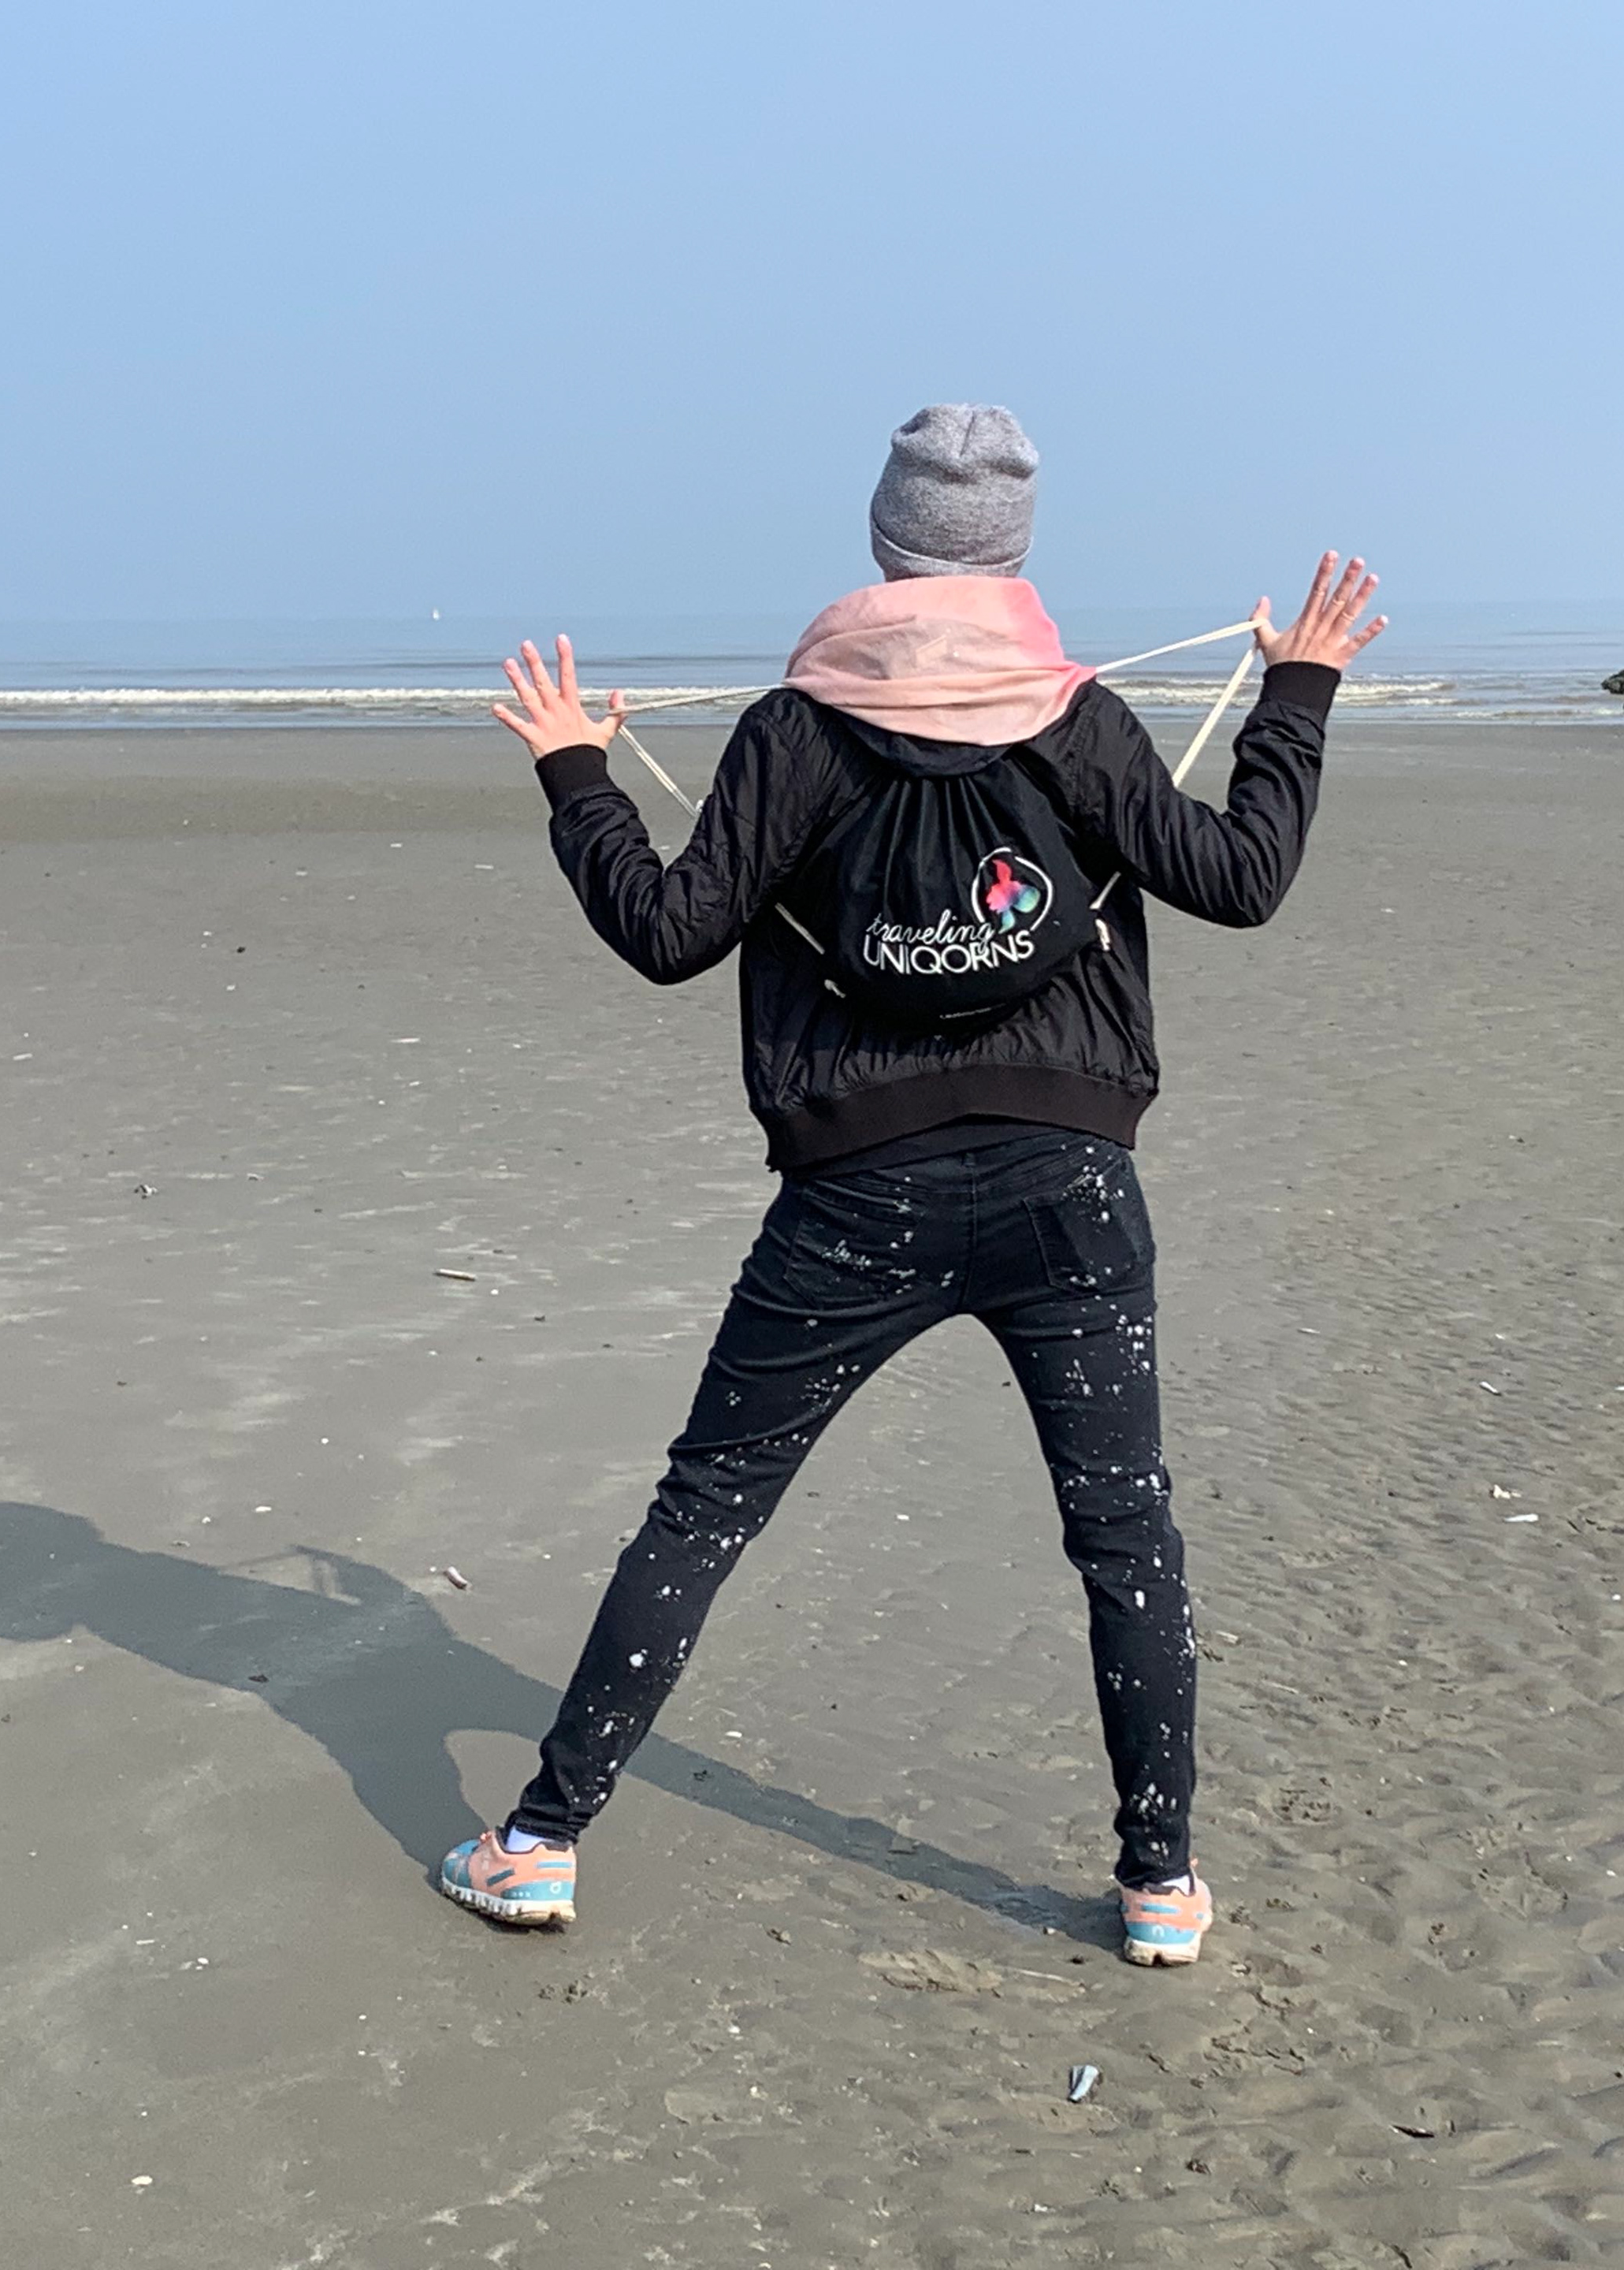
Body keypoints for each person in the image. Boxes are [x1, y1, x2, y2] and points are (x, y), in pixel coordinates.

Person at [445, 404, 1382, 1964]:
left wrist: (573, 773)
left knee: (707, 1509)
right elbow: (1244, 875)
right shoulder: (1074, 718)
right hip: (1068, 1187)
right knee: (1124, 1534)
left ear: (884, 542)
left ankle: (540, 1843)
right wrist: (1301, 688)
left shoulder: (797, 729)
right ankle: (1160, 1884)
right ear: (1014, 553)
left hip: (856, 1198)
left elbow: (668, 932)